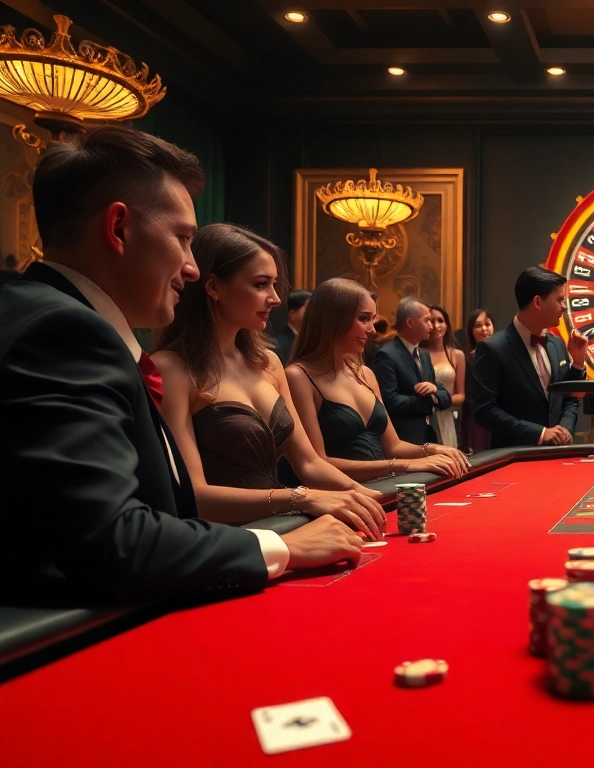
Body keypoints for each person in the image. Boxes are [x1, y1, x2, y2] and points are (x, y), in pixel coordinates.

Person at [0, 127, 362, 602]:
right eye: (183, 238)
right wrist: (281, 546)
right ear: (118, 229)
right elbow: (114, 541)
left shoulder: (51, 316)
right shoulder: (63, 333)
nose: (192, 268)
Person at [153, 224, 386, 536]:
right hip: (223, 544)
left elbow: (309, 465)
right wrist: (300, 498)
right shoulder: (171, 368)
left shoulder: (269, 362)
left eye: (275, 284)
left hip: (285, 528)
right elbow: (195, 495)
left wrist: (370, 499)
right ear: (214, 287)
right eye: (261, 284)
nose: (276, 298)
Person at [286, 279, 469, 483]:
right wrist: (404, 465)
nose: (372, 329)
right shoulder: (298, 376)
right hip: (340, 499)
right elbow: (318, 463)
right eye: (364, 318)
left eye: (373, 319)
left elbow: (393, 446)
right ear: (334, 319)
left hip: (383, 489)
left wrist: (432, 449)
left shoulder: (365, 374)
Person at [474, 267, 588, 448]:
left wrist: (579, 364)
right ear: (537, 301)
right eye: (559, 300)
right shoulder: (493, 349)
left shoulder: (557, 344)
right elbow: (484, 411)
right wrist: (540, 433)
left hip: (555, 458)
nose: (564, 307)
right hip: (513, 458)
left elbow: (570, 398)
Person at [371, 297, 452, 446]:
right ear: (410, 322)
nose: (431, 326)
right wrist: (429, 401)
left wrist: (434, 390)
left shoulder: (424, 354)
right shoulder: (387, 355)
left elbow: (446, 396)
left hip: (428, 435)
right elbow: (390, 401)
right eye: (427, 320)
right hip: (403, 439)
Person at [423, 304, 467, 448]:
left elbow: (460, 395)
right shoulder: (417, 353)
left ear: (447, 324)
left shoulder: (457, 355)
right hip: (422, 418)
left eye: (440, 320)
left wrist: (440, 399)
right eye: (430, 320)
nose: (436, 325)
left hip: (446, 417)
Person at [460, 307, 495, 454]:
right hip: (476, 418)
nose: (484, 329)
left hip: (501, 416)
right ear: (471, 330)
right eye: (478, 325)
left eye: (487, 324)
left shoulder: (502, 355)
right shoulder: (466, 358)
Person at [271, 288, 310, 364]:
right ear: (292, 314)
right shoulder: (278, 345)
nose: (313, 313)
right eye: (308, 308)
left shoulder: (312, 340)